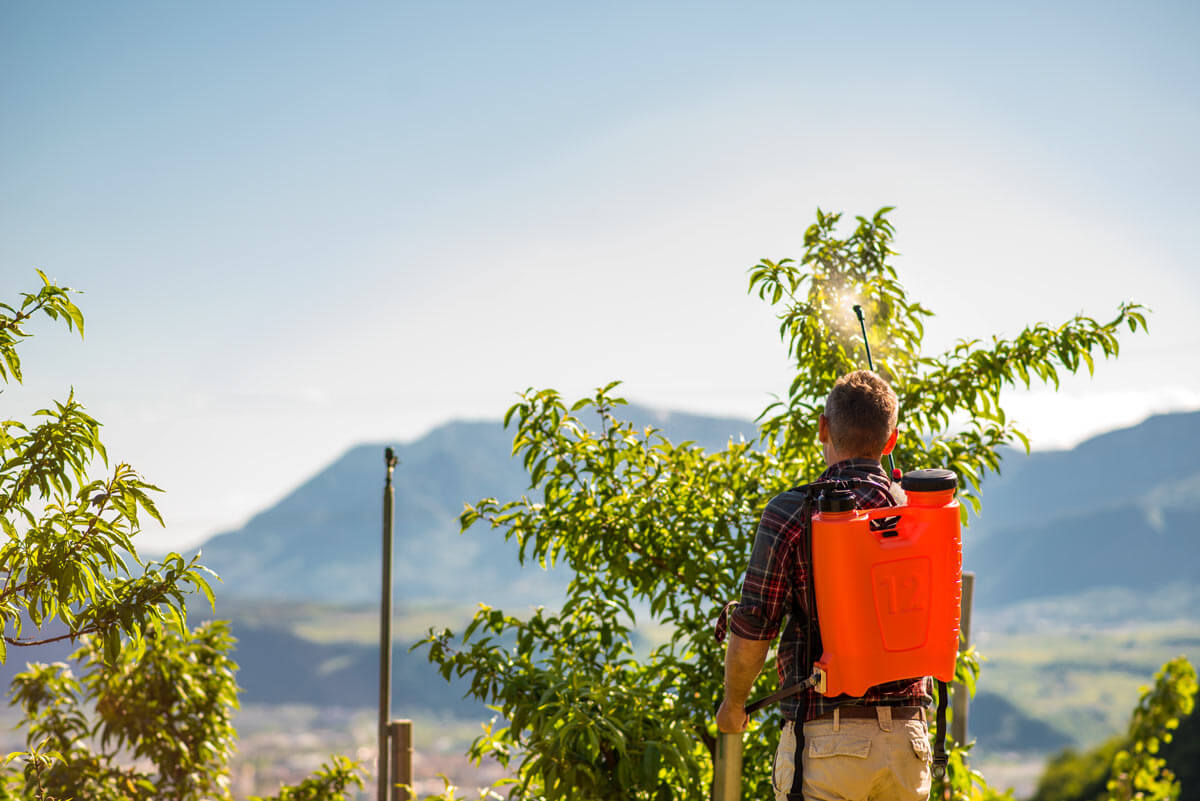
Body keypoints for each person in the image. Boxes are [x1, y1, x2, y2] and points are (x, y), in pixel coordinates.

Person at [715, 370, 934, 801]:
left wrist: (733, 704)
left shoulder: (792, 511)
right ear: (891, 441)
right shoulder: (922, 513)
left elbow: (757, 626)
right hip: (910, 744)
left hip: (827, 742)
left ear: (823, 428)